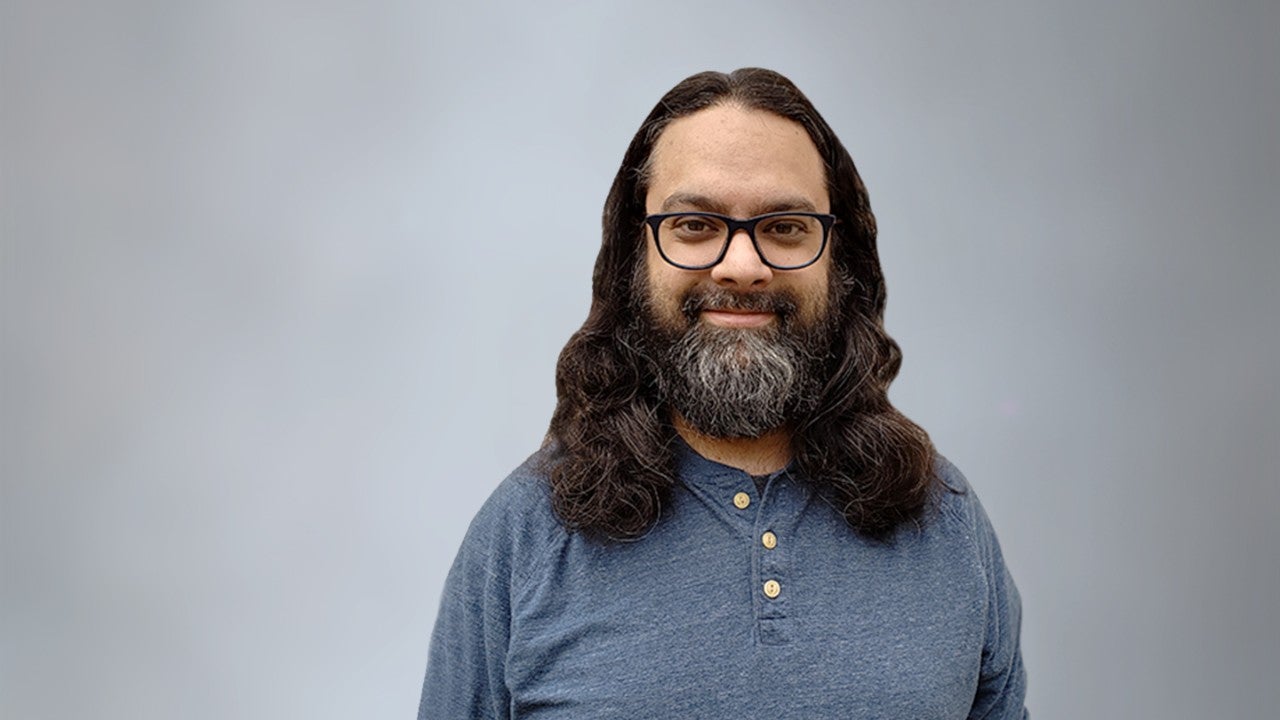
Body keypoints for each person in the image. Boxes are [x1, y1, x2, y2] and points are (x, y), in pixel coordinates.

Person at [417, 67, 1027, 719]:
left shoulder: (945, 522)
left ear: (840, 260)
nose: (741, 266)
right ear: (634, 256)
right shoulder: (525, 533)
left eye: (785, 226)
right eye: (694, 225)